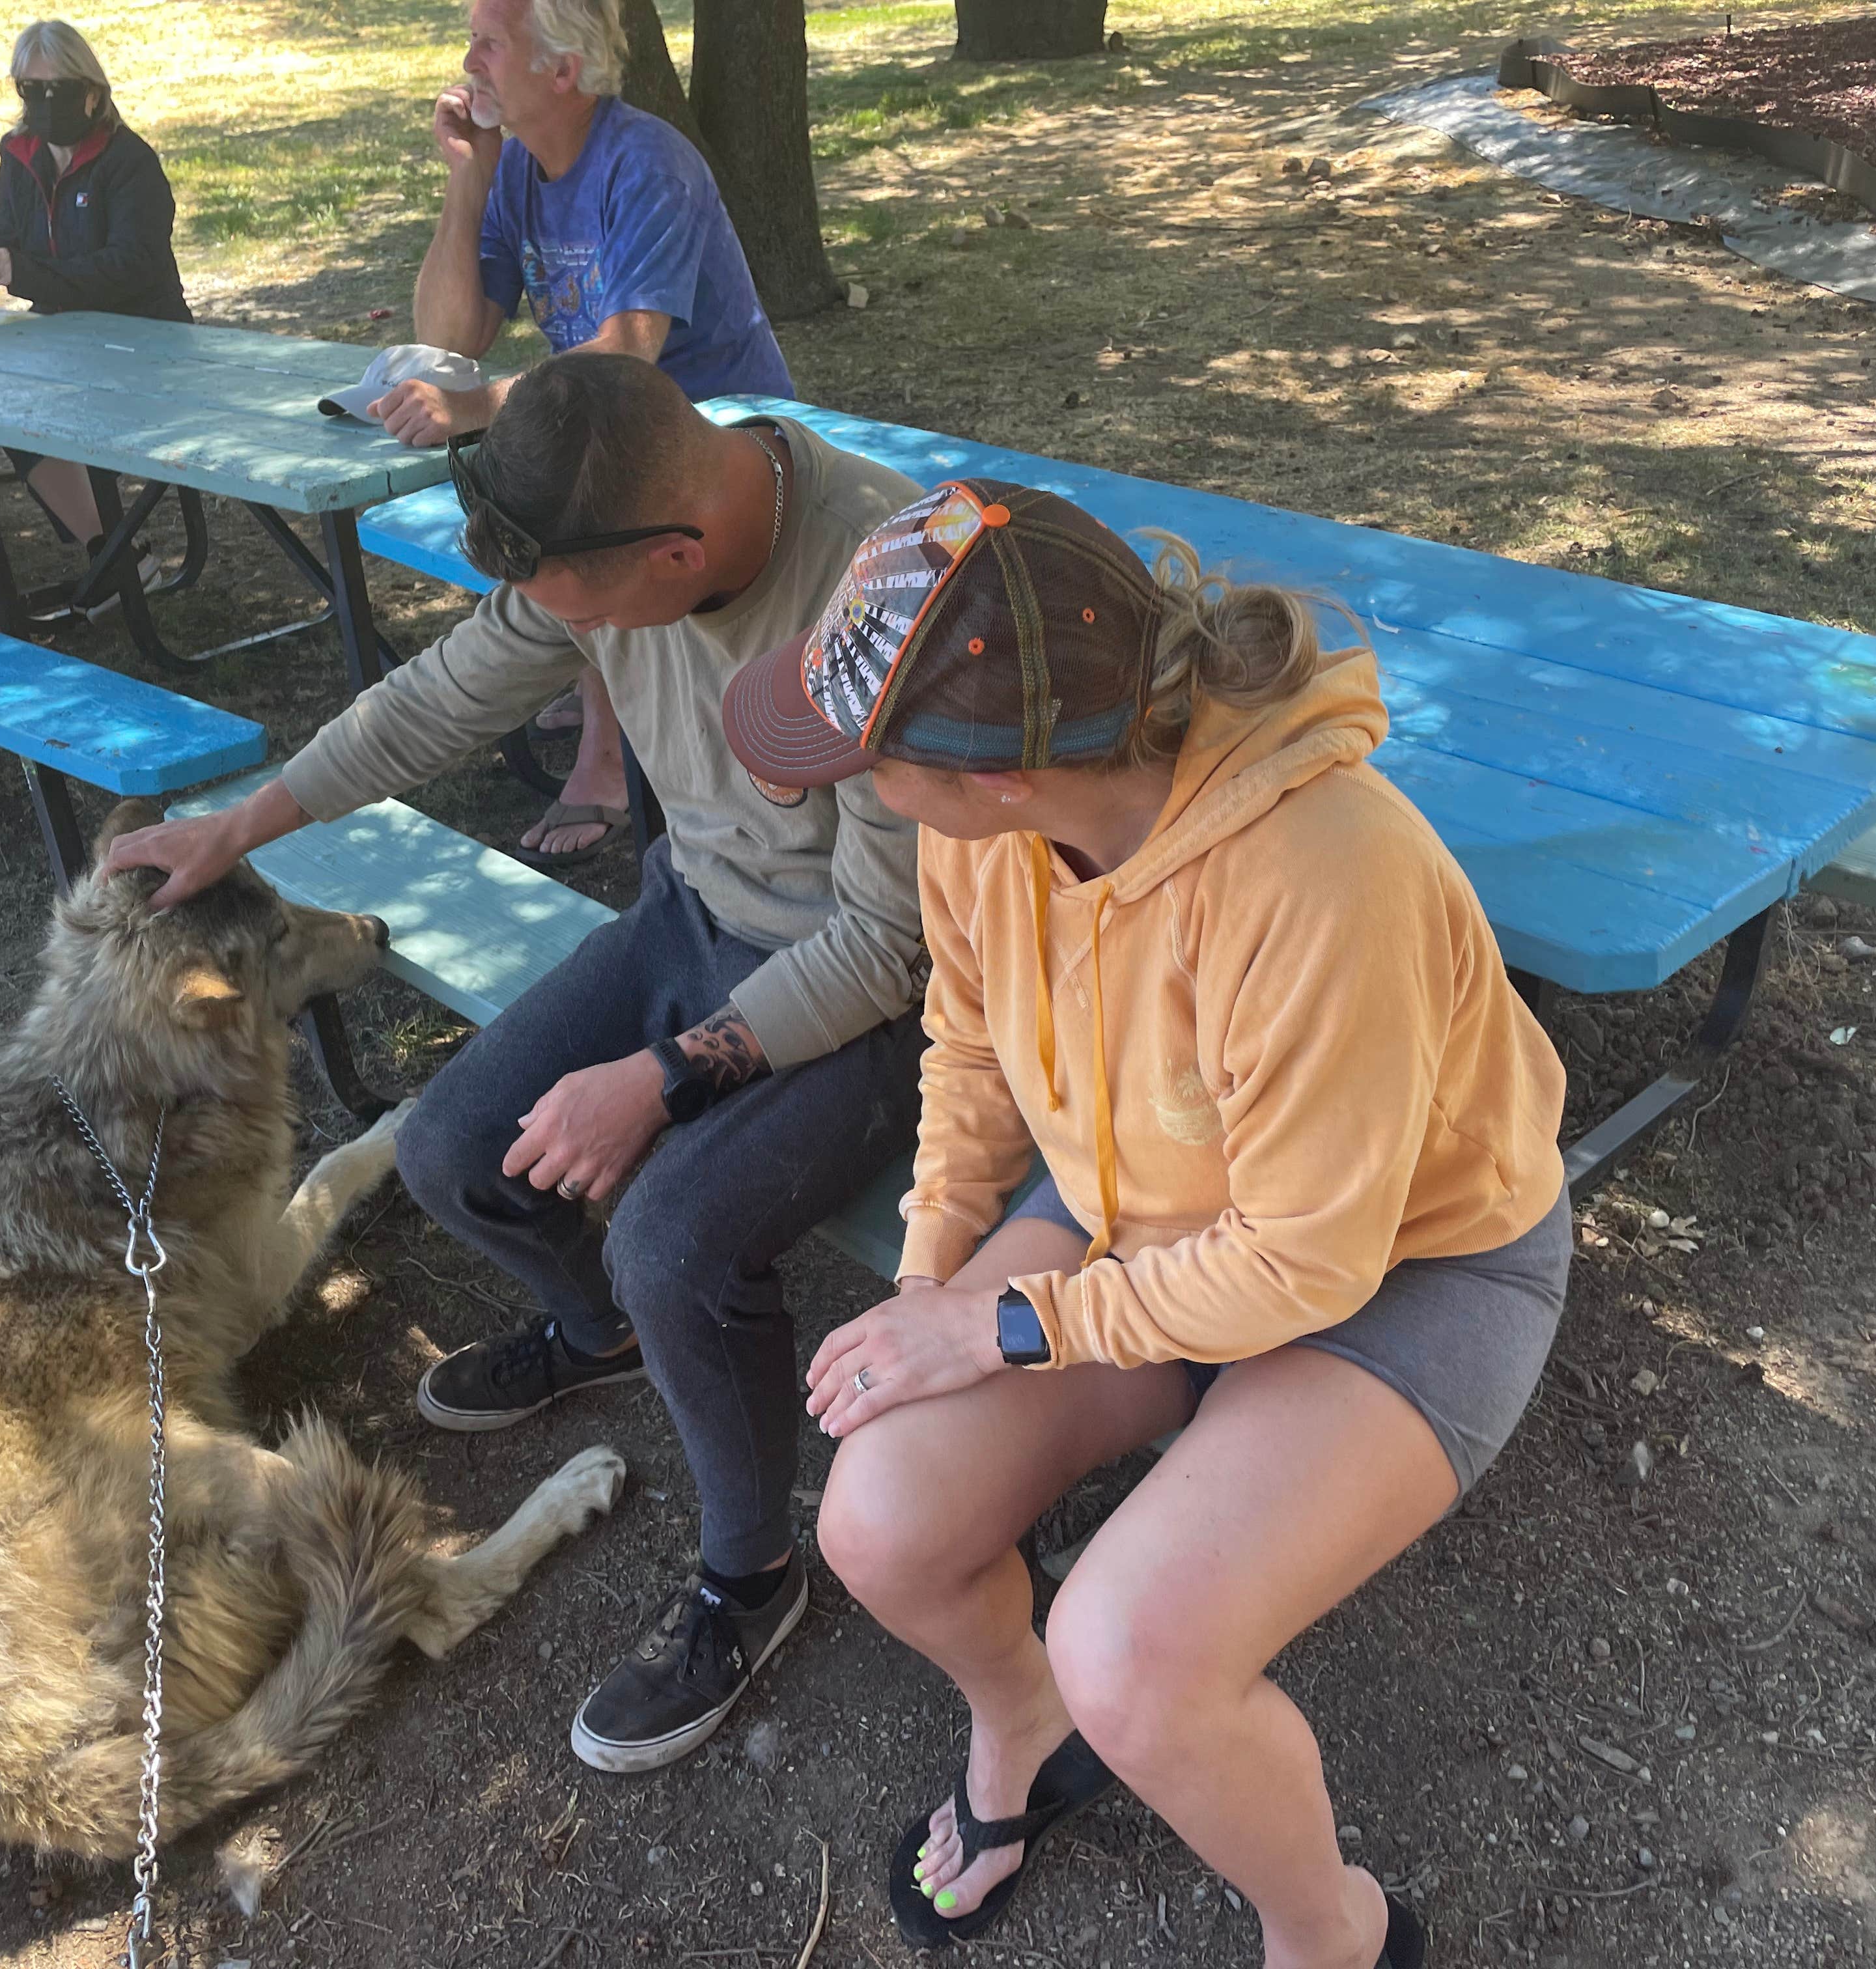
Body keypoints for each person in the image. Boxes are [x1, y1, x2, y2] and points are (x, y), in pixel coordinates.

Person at [720, 482, 1571, 1966]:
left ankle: (1333, 1935)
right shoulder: (986, 827)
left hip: (1409, 1263)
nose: (834, 786)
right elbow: (975, 1053)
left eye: (861, 761)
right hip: (1140, 1205)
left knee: (1138, 1658)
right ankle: (1022, 1720)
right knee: (883, 1518)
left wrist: (1003, 1321)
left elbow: (1309, 1258)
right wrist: (934, 1280)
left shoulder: (1323, 875)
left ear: (992, 775)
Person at [105, 352, 925, 1775]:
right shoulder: (613, 546)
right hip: (696, 914)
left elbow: (888, 949)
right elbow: (439, 696)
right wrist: (234, 830)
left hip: (874, 994)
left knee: (672, 1241)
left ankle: (750, 1573)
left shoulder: (878, 581)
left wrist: (663, 1079)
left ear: (677, 554)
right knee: (447, 1150)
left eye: (579, 613)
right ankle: (594, 1334)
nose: (559, 637)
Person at [383, 0, 796, 867]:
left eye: (491, 44)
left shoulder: (645, 161)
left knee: (574, 501)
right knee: (553, 477)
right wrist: (469, 176)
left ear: (561, 70)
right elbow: (451, 335)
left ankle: (607, 758)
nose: (470, 61)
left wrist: (475, 406)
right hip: (623, 422)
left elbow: (631, 353)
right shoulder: (521, 170)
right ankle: (603, 698)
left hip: (722, 430)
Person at [0, 18, 188, 596]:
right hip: (61, 333)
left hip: (145, 335)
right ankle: (114, 551)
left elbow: (132, 266)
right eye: (29, 91)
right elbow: (6, 232)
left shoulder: (130, 161)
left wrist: (28, 273)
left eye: (55, 90)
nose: (42, 104)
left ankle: (116, 553)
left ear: (92, 91)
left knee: (42, 396)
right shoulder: (19, 153)